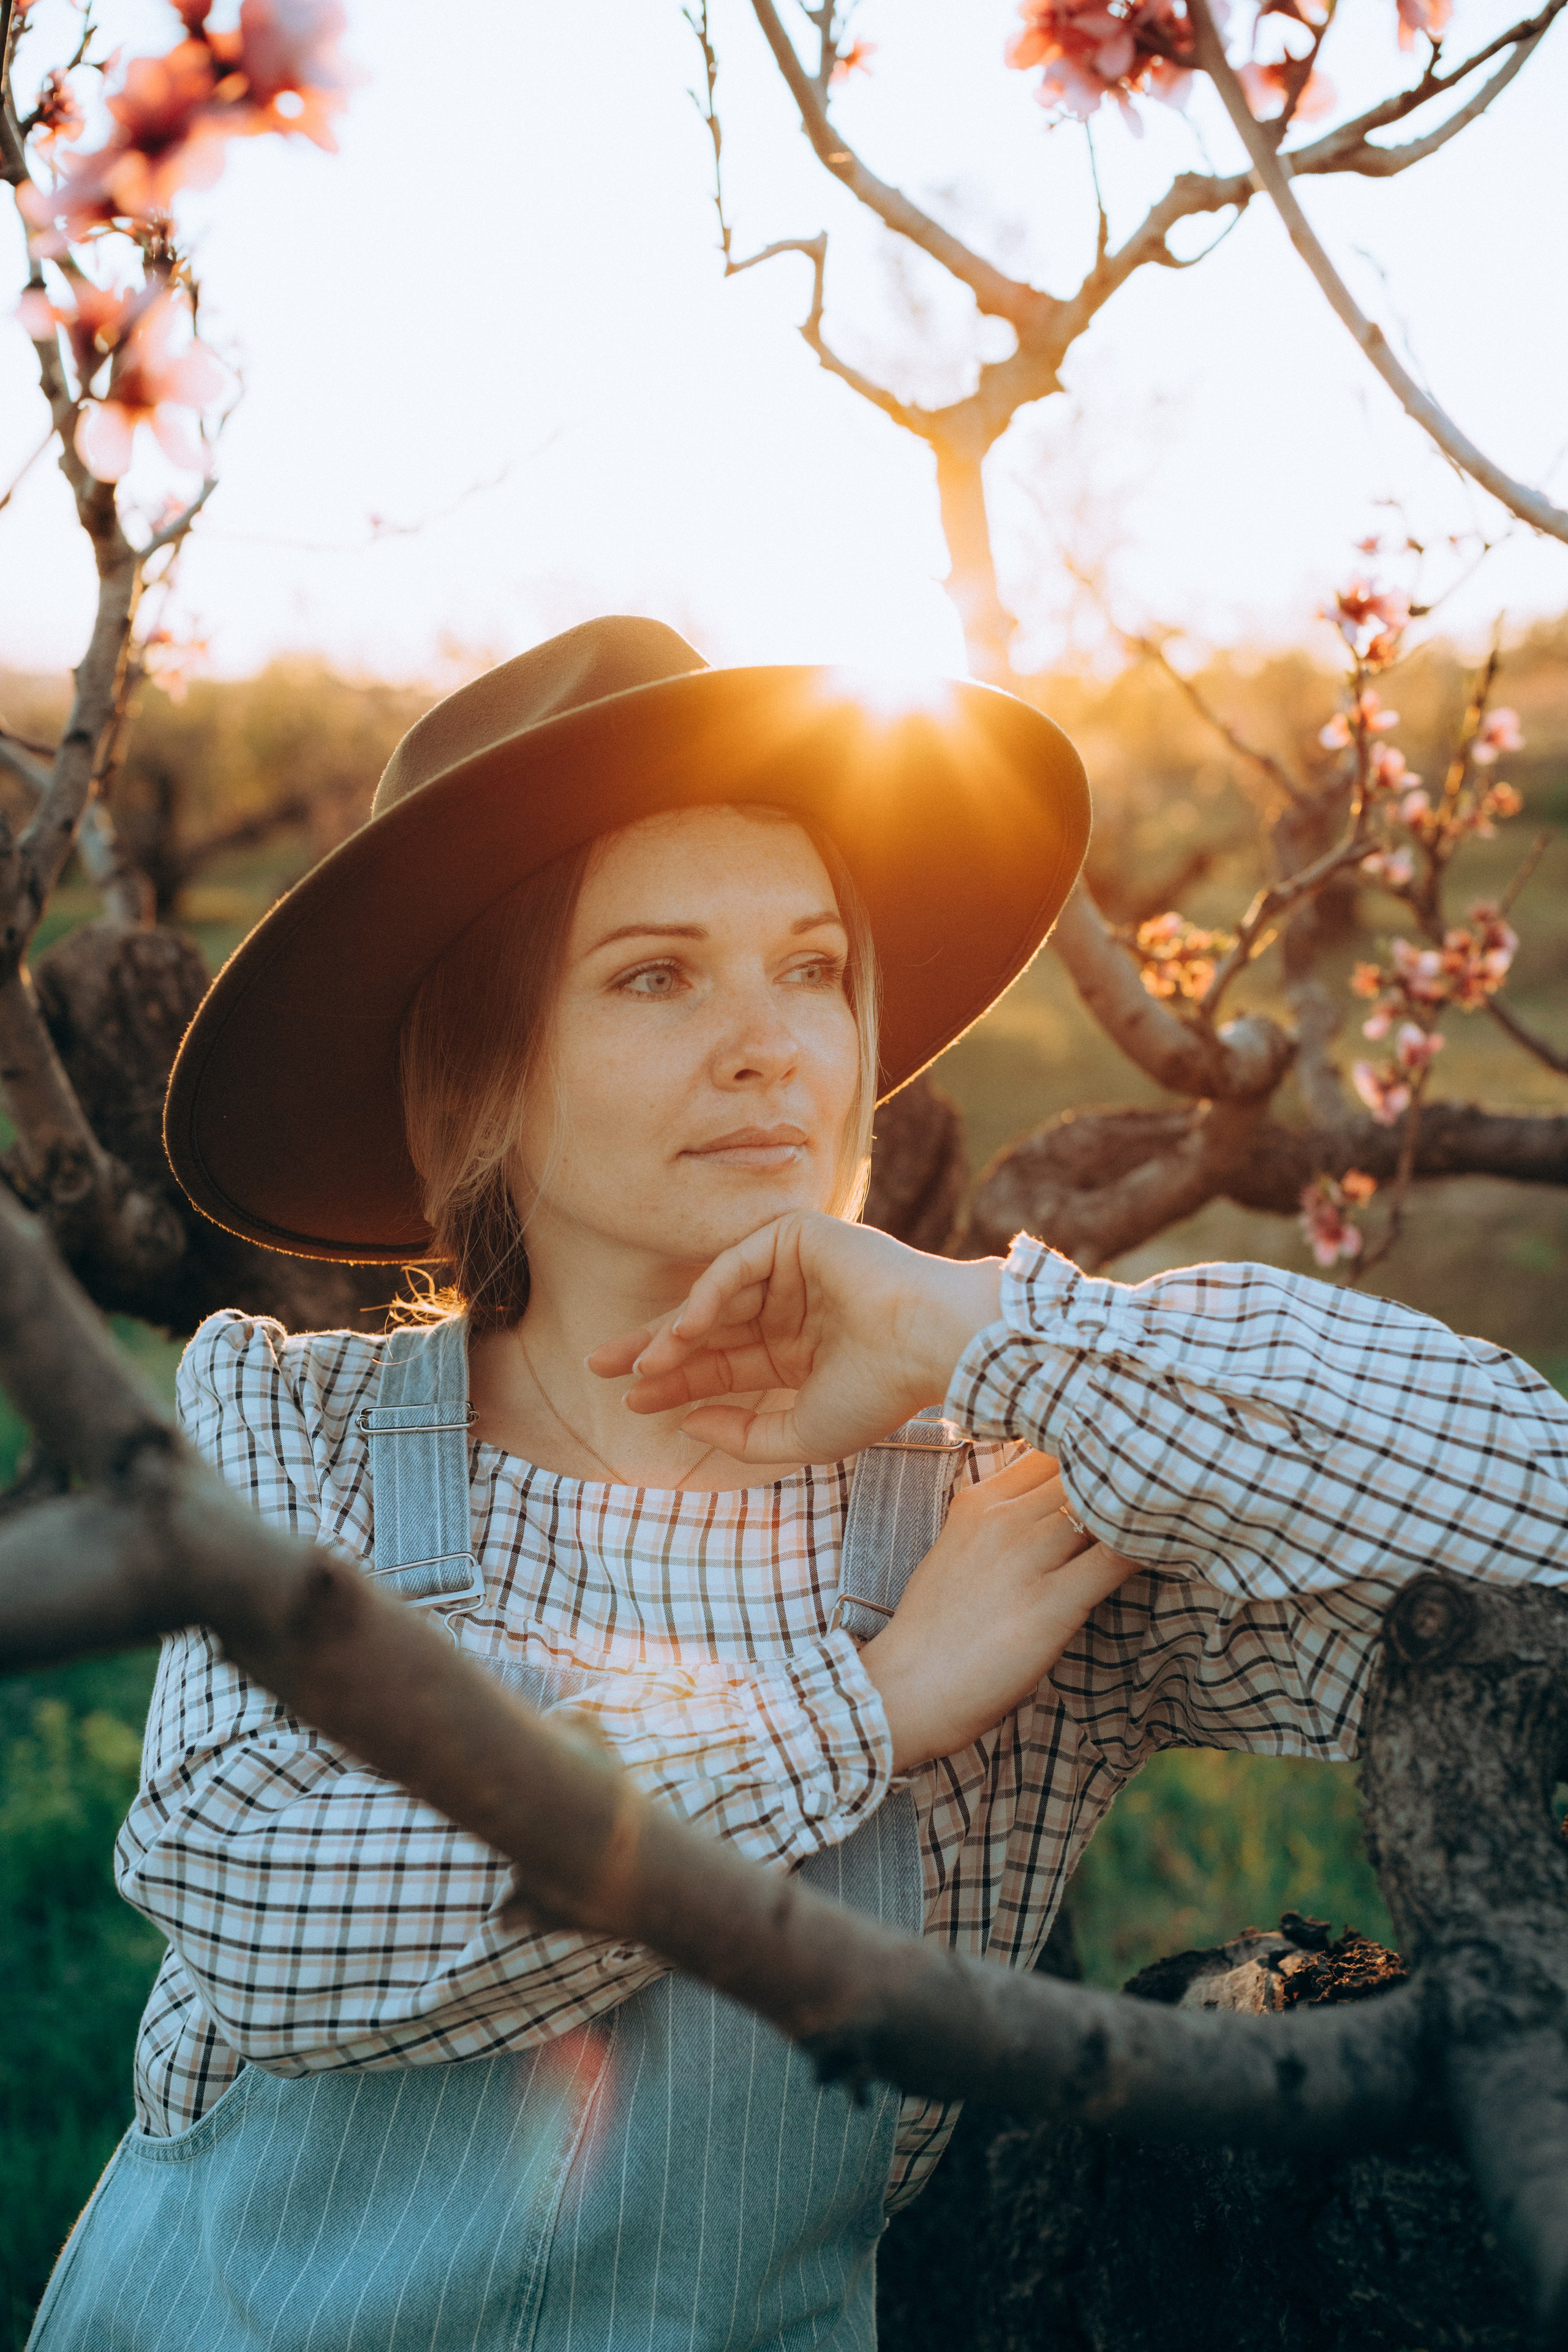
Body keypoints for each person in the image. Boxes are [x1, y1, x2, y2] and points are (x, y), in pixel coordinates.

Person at [29, 617, 1567, 2352]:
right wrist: (868, 1709)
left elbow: (1538, 1521)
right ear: (478, 1076)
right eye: (657, 976)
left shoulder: (1011, 1504)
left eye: (815, 967)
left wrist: (976, 1323)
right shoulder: (302, 1440)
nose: (774, 1046)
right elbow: (277, 1922)